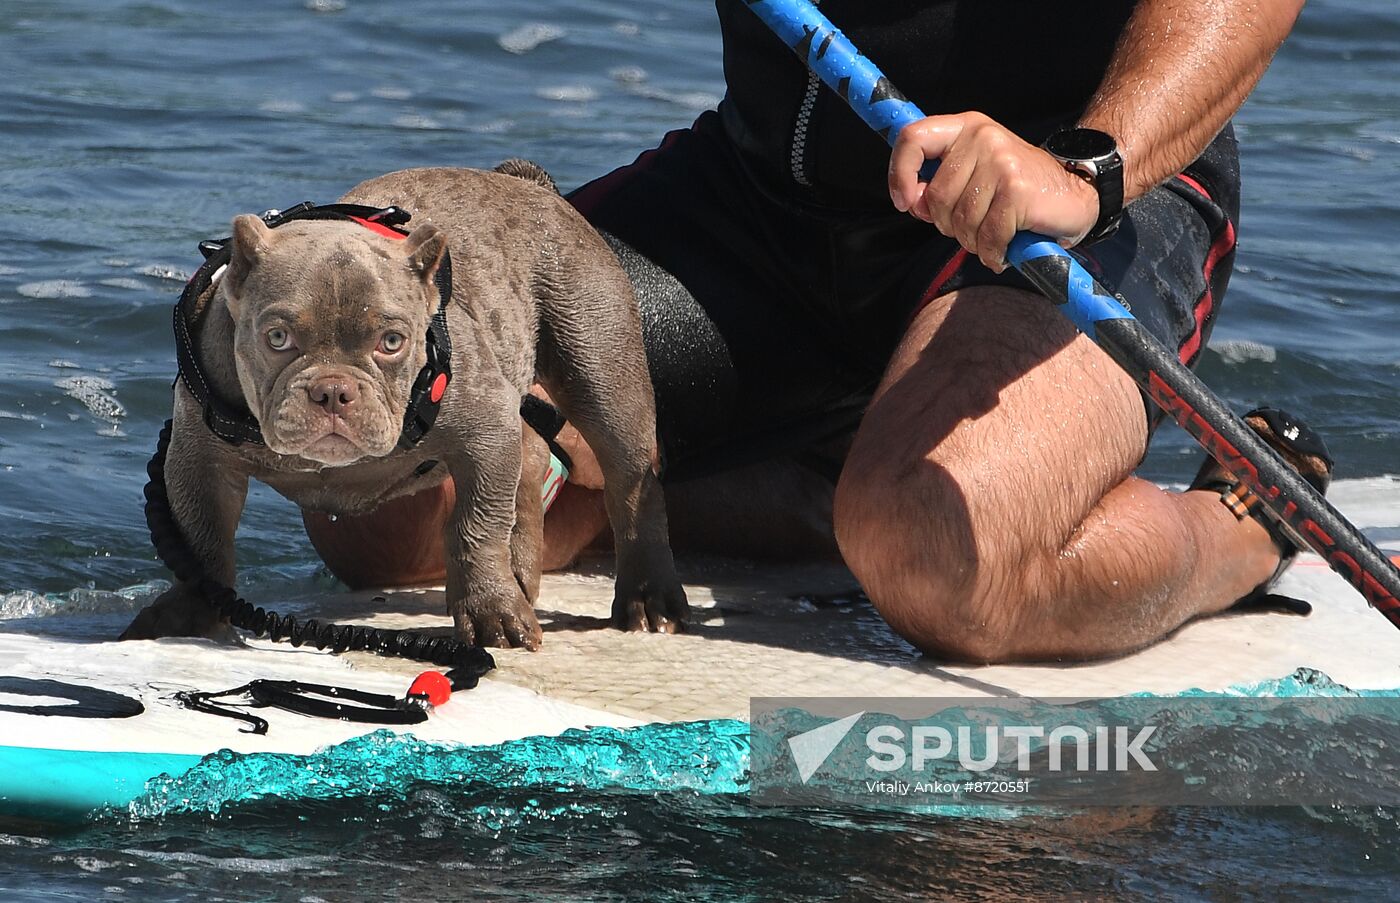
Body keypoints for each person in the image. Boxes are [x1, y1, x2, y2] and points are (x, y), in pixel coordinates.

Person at [305, 0, 1326, 662]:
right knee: (391, 504)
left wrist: (1086, 170)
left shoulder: (1089, 175)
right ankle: (831, 490)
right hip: (763, 199)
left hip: (1076, 199)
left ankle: (1235, 525)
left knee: (943, 550)